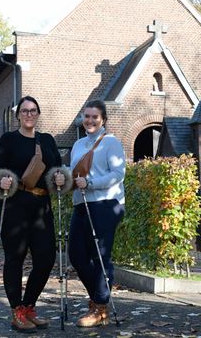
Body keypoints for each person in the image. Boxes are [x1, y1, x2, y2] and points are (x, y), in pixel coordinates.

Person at [0, 96, 65, 333]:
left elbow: (56, 169)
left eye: (33, 111)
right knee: (15, 258)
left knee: (46, 258)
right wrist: (2, 179)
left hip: (41, 206)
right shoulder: (8, 140)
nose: (29, 114)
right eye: (24, 111)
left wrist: (60, 178)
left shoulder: (48, 140)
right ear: (18, 115)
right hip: (14, 206)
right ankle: (17, 311)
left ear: (38, 114)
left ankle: (29, 306)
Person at [69, 100, 126, 327]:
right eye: (87, 116)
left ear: (103, 120)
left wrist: (90, 182)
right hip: (80, 205)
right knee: (76, 255)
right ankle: (98, 298)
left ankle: (100, 307)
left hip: (105, 204)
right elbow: (74, 174)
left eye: (95, 117)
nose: (90, 120)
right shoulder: (77, 144)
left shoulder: (111, 143)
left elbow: (118, 174)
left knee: (100, 257)